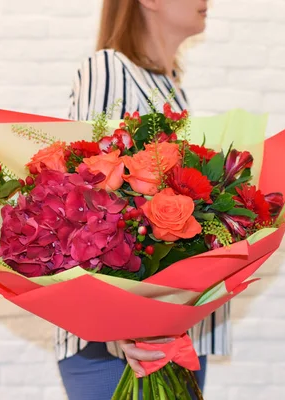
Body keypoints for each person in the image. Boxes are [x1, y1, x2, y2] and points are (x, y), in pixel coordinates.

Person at [56, 1, 231, 398]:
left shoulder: (171, 89)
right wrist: (120, 329)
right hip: (116, 346)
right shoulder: (109, 69)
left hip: (174, 335)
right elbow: (86, 199)